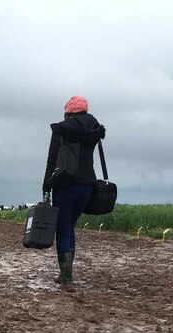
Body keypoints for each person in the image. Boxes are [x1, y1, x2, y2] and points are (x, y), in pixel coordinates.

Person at [42, 95, 105, 290]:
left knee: (63, 229)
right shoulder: (94, 130)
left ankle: (66, 278)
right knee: (69, 227)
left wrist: (46, 186)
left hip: (65, 185)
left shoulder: (61, 129)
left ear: (68, 112)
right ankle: (66, 273)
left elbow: (52, 159)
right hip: (87, 187)